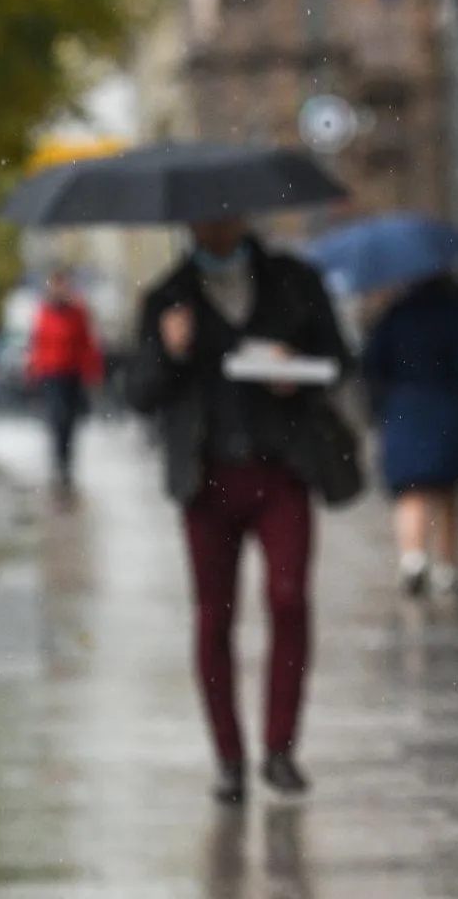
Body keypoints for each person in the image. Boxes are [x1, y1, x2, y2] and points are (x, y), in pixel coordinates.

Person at [125, 217, 353, 805]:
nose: (215, 225)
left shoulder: (293, 280)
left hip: (281, 471)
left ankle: (279, 749)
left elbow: (340, 359)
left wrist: (293, 370)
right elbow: (139, 392)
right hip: (206, 479)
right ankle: (228, 759)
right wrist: (172, 352)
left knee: (288, 598)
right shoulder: (166, 296)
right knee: (213, 616)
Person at [361, 272, 458, 596]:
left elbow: (372, 363)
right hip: (446, 408)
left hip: (404, 410)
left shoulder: (394, 314)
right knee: (447, 490)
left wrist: (382, 404)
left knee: (410, 490)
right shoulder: (455, 314)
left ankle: (412, 558)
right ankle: (448, 566)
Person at [24, 269, 103, 490]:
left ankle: (66, 462)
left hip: (71, 374)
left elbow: (86, 344)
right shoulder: (44, 312)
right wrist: (33, 369)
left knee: (69, 420)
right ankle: (59, 462)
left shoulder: (77, 312)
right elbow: (37, 344)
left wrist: (92, 373)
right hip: (51, 374)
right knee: (57, 418)